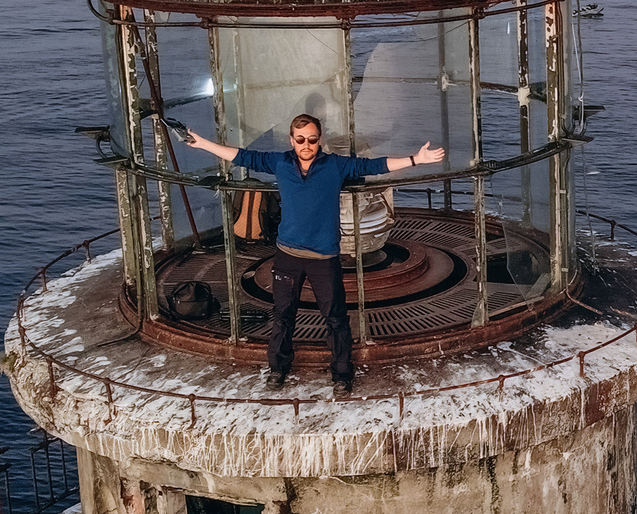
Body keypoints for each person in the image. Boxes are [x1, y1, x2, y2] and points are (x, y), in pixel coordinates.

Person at [171, 112, 444, 391]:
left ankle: (341, 374)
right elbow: (242, 156)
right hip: (287, 255)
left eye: (312, 139)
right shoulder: (280, 162)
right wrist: (202, 142)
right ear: (292, 140)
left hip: (324, 259)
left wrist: (415, 159)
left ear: (319, 140)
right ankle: (278, 368)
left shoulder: (335, 166)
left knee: (335, 317)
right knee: (283, 314)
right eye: (300, 139)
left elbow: (373, 166)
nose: (306, 144)